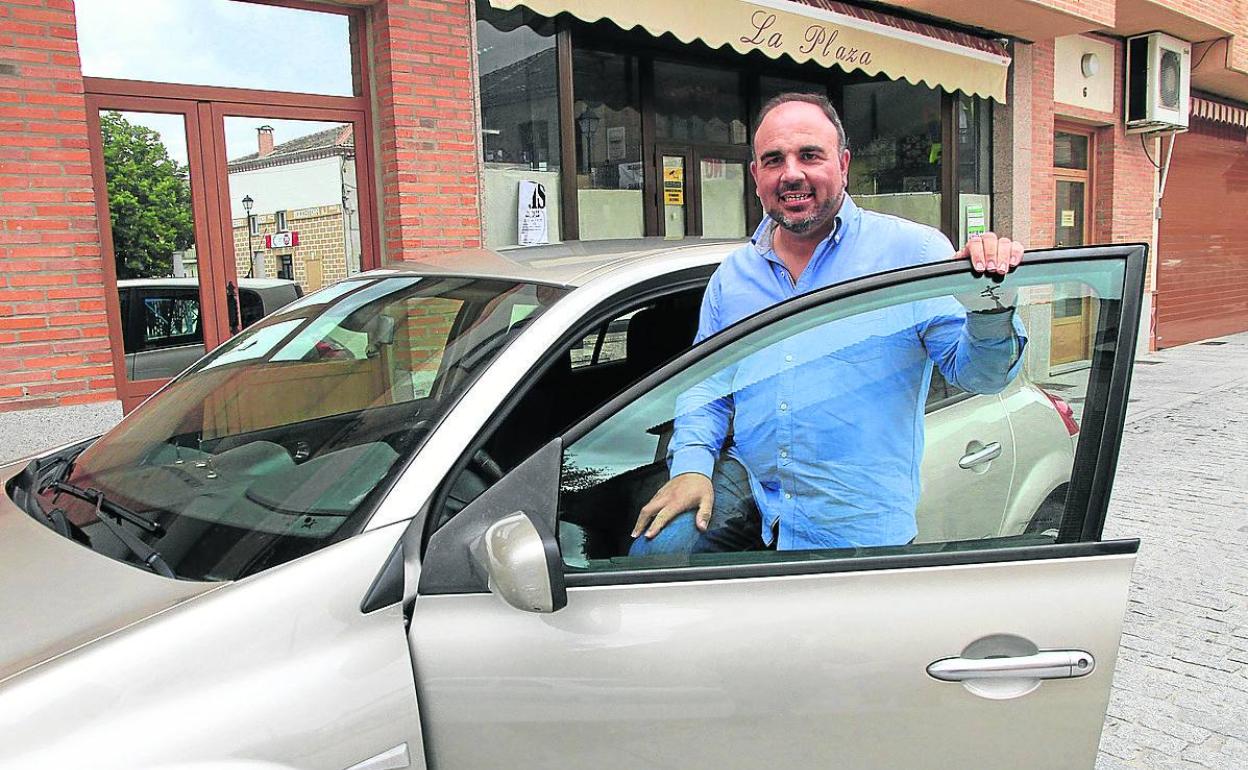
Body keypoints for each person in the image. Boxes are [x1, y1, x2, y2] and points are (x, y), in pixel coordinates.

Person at [631, 92, 1027, 554]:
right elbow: (706, 386)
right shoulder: (734, 276)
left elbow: (983, 375)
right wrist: (693, 467)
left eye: (809, 155)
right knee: (655, 554)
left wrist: (990, 303)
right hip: (754, 503)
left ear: (843, 163)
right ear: (756, 176)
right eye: (774, 159)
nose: (792, 173)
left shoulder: (913, 254)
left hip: (854, 526)